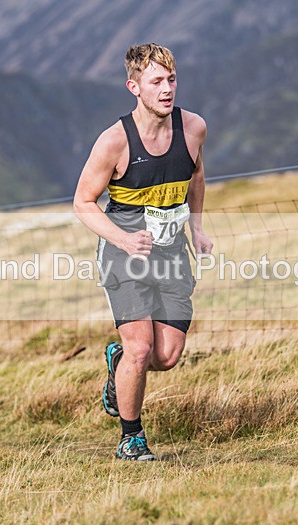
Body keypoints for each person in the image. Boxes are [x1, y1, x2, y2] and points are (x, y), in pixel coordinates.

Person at [73, 43, 213, 461]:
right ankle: (130, 437)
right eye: (157, 82)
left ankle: (119, 364)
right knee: (140, 349)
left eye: (172, 79)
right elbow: (82, 203)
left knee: (165, 356)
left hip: (171, 256)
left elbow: (197, 177)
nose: (167, 89)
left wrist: (198, 227)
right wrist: (122, 239)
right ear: (134, 87)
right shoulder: (113, 142)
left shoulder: (194, 129)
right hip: (125, 257)